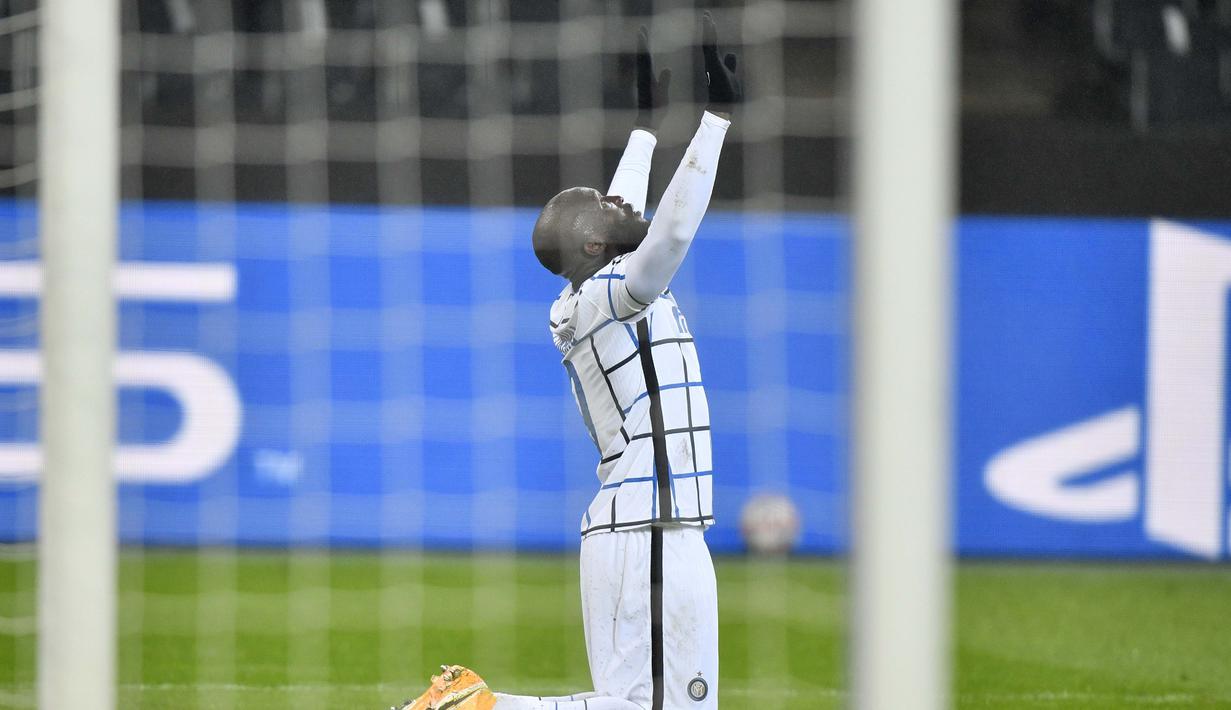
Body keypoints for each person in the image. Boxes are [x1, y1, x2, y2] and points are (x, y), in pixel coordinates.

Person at [393, 13, 740, 710]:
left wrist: (644, 126)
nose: (618, 200)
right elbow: (669, 229)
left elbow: (630, 215)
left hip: (650, 524)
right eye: (604, 207)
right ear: (591, 248)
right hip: (645, 525)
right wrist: (715, 120)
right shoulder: (613, 293)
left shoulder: (595, 293)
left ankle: (474, 705)